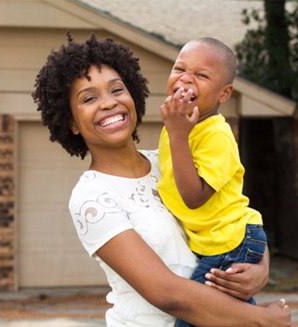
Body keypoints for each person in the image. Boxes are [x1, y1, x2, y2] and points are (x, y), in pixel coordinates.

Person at [32, 33, 290, 326]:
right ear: (71, 122)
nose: (108, 103)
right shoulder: (92, 196)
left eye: (117, 90)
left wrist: (260, 266)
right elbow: (166, 293)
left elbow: (233, 215)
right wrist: (262, 319)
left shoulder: (170, 161)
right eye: (89, 98)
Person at [158, 38, 267, 323]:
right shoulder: (180, 127)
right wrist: (178, 132)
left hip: (230, 241)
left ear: (224, 93)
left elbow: (194, 197)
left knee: (196, 315)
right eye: (179, 68)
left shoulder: (215, 134)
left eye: (201, 75)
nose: (185, 79)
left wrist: (178, 134)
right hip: (217, 241)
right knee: (223, 316)